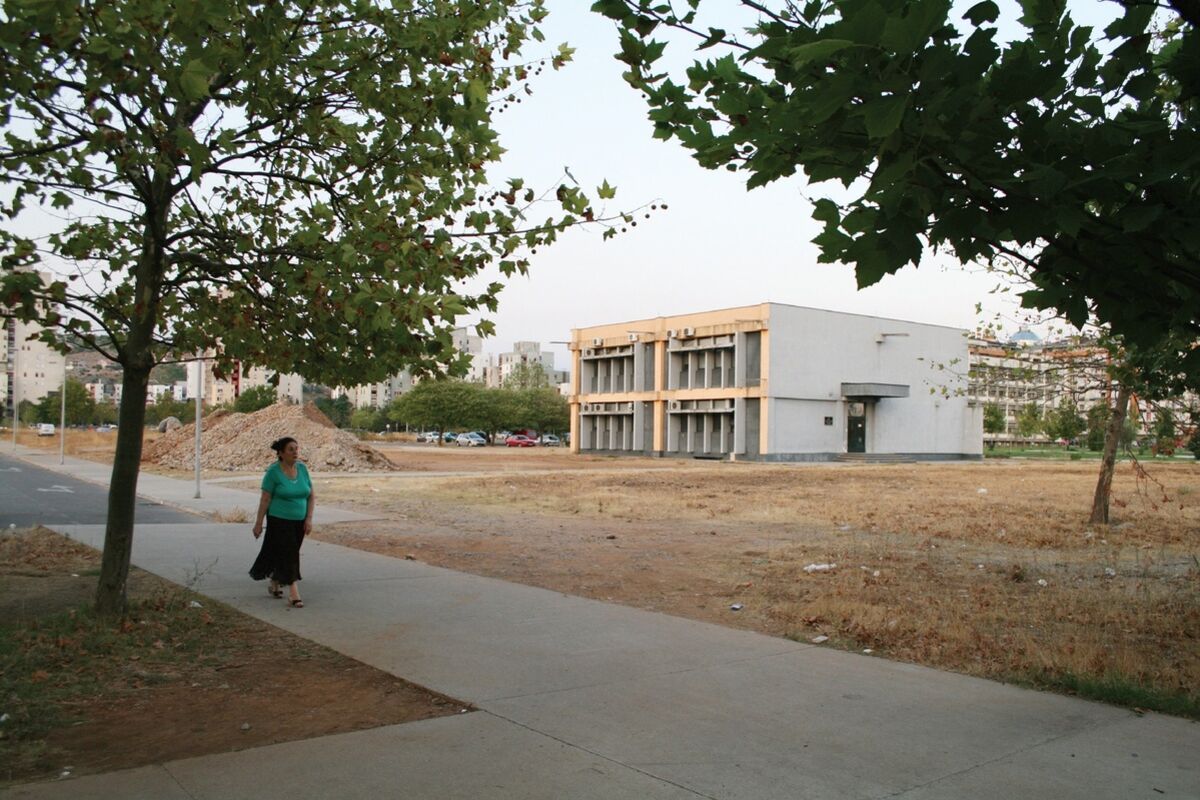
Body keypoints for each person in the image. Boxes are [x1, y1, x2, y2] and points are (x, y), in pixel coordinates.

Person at [249, 436, 314, 607]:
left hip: (299, 520)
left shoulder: (302, 469)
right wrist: (258, 523)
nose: (295, 452)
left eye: (296, 448)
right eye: (291, 449)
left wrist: (309, 518)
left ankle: (275, 580)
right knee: (290, 554)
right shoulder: (273, 472)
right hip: (279, 519)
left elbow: (311, 495)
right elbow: (265, 499)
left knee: (286, 552)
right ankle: (294, 593)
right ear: (281, 453)